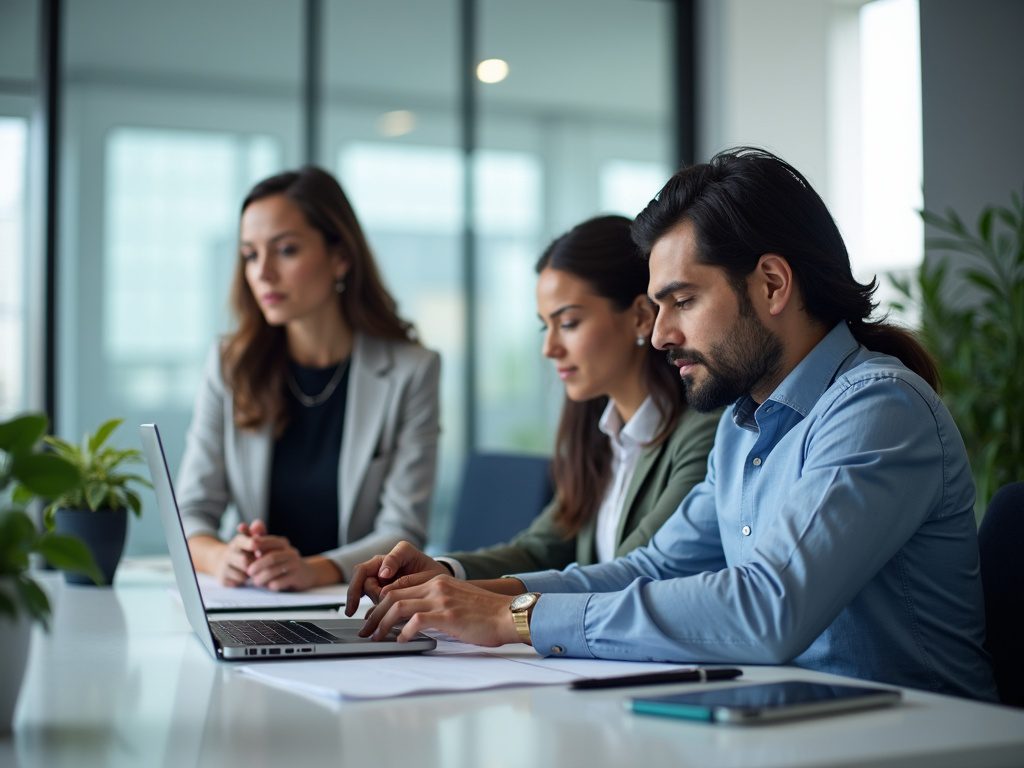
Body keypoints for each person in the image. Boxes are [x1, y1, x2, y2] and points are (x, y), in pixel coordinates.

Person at [348, 148, 997, 701]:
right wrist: (457, 591)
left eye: (682, 301)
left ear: (772, 284)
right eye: (659, 307)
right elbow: (650, 568)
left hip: (915, 737)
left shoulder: (876, 410)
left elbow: (767, 609)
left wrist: (513, 618)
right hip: (791, 722)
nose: (660, 334)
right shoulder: (745, 424)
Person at [356, 215, 718, 599]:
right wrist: (443, 571)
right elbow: (539, 548)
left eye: (570, 323)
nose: (550, 349)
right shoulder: (599, 437)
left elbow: (631, 572)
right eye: (546, 327)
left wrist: (465, 597)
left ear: (642, 318)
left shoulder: (703, 434)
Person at [177, 166, 440, 590]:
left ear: (340, 258)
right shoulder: (230, 365)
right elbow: (190, 512)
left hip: (353, 604)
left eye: (285, 250)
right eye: (250, 255)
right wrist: (220, 555)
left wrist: (314, 569)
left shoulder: (412, 370)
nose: (262, 273)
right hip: (252, 599)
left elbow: (403, 529)